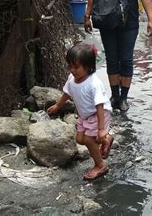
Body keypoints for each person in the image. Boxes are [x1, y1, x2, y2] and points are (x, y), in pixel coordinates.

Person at [47, 43, 113, 181]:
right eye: (70, 66)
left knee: (89, 140)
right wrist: (58, 106)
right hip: (85, 115)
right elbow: (67, 92)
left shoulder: (93, 83)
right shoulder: (72, 79)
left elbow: (100, 106)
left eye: (76, 67)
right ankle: (106, 139)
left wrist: (101, 129)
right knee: (80, 139)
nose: (72, 70)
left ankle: (100, 165)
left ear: (88, 67)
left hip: (98, 113)